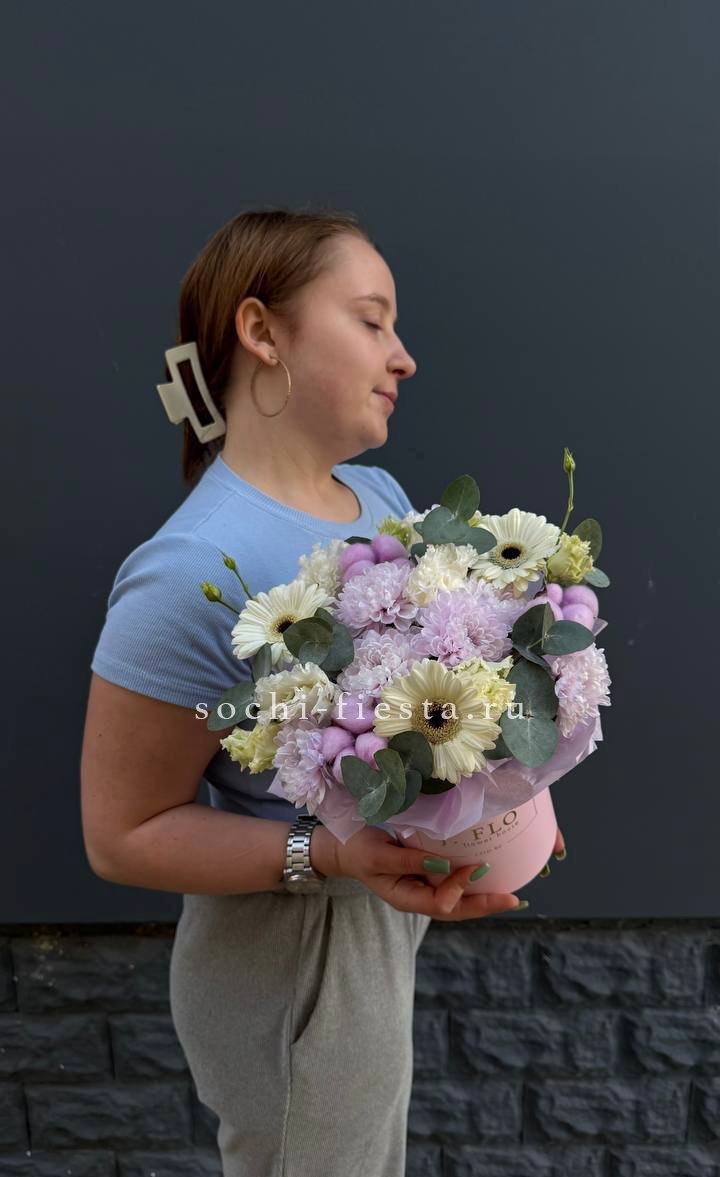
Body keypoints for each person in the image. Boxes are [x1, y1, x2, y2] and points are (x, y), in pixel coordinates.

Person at [80, 206, 565, 1177]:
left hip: (372, 921)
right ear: (263, 332)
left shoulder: (376, 501)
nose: (404, 357)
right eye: (373, 320)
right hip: (289, 958)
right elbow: (121, 835)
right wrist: (334, 851)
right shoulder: (188, 569)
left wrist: (506, 795)